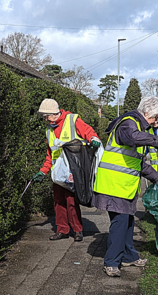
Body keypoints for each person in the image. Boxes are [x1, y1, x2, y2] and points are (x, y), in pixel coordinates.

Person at [92, 96, 158, 277]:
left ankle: (129, 256)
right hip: (114, 185)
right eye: (155, 118)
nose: (155, 123)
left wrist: (157, 178)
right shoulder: (128, 124)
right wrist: (155, 141)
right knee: (120, 223)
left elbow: (137, 162)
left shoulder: (137, 127)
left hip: (123, 186)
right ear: (146, 112)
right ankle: (111, 262)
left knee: (128, 222)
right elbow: (131, 138)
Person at [32, 98, 101, 242]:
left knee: (71, 200)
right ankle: (62, 230)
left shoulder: (72, 120)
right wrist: (43, 171)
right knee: (58, 201)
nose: (45, 119)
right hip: (58, 172)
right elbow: (50, 154)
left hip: (72, 169)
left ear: (55, 113)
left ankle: (77, 230)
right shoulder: (49, 130)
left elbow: (88, 131)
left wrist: (93, 138)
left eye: (46, 116)